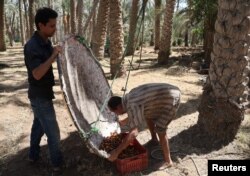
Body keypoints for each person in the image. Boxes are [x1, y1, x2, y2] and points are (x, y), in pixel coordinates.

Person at [24, 7, 63, 172]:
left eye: (55, 25)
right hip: (39, 97)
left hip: (44, 94)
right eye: (52, 26)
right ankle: (57, 165)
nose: (55, 29)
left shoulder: (45, 42)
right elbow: (37, 74)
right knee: (54, 135)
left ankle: (32, 155)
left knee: (38, 126)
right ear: (41, 25)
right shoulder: (32, 46)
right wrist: (53, 55)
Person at [107, 83, 181, 169]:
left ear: (119, 107)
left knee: (161, 129)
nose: (116, 114)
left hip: (171, 98)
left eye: (114, 112)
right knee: (148, 115)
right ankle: (154, 140)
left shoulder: (132, 105)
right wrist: (122, 122)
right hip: (163, 94)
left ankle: (168, 161)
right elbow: (136, 113)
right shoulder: (127, 99)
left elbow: (134, 133)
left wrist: (116, 152)